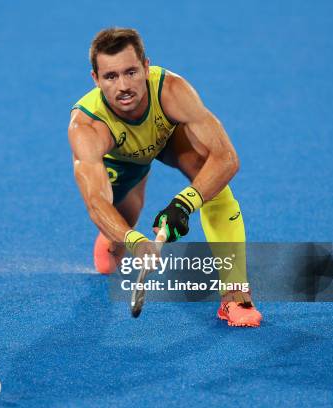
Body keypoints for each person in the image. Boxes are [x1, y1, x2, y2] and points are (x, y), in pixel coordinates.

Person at [68, 27, 262, 327]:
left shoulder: (171, 90)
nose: (123, 86)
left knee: (210, 178)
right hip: (120, 161)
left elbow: (227, 158)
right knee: (114, 244)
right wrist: (133, 239)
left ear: (146, 67)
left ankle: (235, 293)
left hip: (167, 140)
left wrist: (184, 203)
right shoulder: (87, 126)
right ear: (95, 79)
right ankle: (112, 238)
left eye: (131, 72)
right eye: (110, 76)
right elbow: (95, 201)